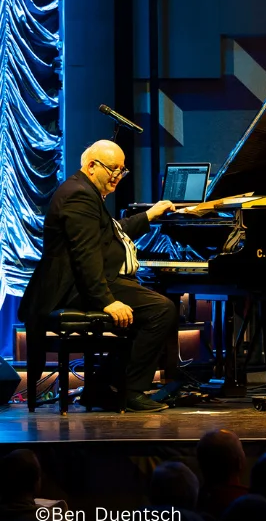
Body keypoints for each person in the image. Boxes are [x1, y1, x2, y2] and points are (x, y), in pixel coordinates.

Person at [19, 140, 178, 412]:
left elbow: (112, 232)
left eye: (122, 170)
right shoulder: (79, 195)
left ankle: (103, 386)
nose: (118, 175)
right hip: (75, 288)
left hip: (88, 282)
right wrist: (106, 301)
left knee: (150, 307)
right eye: (113, 169)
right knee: (161, 310)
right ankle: (129, 391)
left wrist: (149, 215)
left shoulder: (85, 191)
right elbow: (86, 255)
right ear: (92, 166)